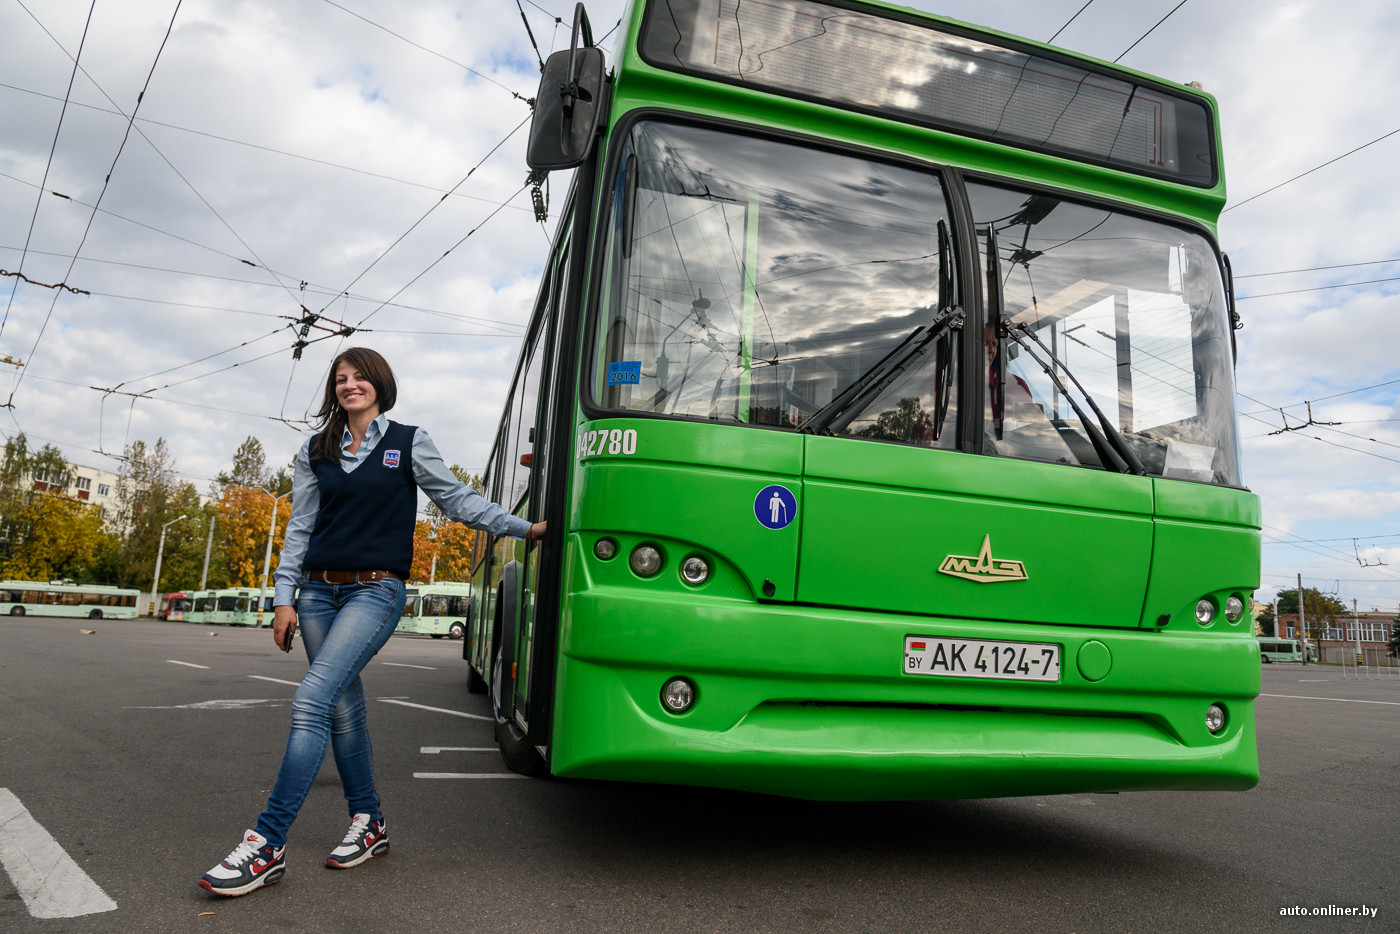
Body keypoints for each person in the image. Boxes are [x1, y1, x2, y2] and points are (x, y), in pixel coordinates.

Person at [199, 347, 544, 897]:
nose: (349, 385)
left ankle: (266, 844)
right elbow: (301, 526)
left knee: (312, 700)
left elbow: (454, 500)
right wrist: (283, 597)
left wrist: (524, 529)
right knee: (340, 706)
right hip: (315, 593)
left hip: (376, 589)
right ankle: (371, 823)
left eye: (360, 377)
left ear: (380, 383)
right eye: (340, 379)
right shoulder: (316, 449)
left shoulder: (408, 441)